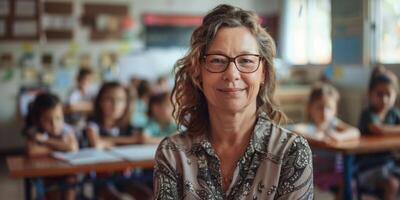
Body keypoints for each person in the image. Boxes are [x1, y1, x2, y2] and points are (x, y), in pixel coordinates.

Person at [153, 4, 313, 199]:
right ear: (198, 71)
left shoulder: (291, 152)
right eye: (217, 60)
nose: (232, 74)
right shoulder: (173, 153)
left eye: (246, 60)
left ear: (263, 72)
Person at [290, 82, 359, 199]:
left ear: (335, 110)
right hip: (315, 175)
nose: (325, 112)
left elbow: (355, 132)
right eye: (320, 107)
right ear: (310, 108)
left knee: (349, 181)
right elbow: (293, 129)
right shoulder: (310, 127)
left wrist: (338, 136)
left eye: (329, 108)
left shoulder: (333, 124)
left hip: (335, 173)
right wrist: (317, 138)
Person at [85, 81, 152, 200]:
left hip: (126, 177)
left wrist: (108, 141)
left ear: (126, 103)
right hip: (101, 179)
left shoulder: (129, 126)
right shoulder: (93, 124)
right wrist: (130, 140)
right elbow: (96, 143)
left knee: (149, 196)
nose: (115, 104)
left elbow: (141, 139)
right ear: (100, 101)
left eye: (121, 100)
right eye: (109, 99)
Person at [24, 92, 78, 200]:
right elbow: (32, 150)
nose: (54, 125)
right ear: (38, 119)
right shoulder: (33, 131)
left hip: (65, 171)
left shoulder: (66, 129)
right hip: (44, 173)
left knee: (71, 179)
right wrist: (61, 146)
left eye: (58, 118)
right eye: (48, 120)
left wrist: (46, 140)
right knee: (50, 185)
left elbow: (72, 147)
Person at [357, 66, 400, 200]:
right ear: (370, 94)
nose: (384, 99)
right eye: (379, 94)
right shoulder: (368, 114)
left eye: (388, 94)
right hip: (369, 167)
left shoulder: (394, 113)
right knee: (391, 184)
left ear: (395, 95)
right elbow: (377, 129)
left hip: (389, 164)